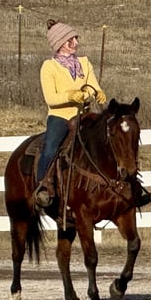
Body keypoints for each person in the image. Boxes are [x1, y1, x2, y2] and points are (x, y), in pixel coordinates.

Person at [34, 19, 106, 207]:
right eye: (70, 40)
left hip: (85, 114)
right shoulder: (49, 67)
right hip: (61, 117)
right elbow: (51, 98)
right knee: (50, 146)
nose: (75, 43)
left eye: (75, 38)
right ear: (59, 44)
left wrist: (97, 93)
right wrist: (71, 95)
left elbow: (93, 86)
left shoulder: (84, 62)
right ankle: (43, 185)